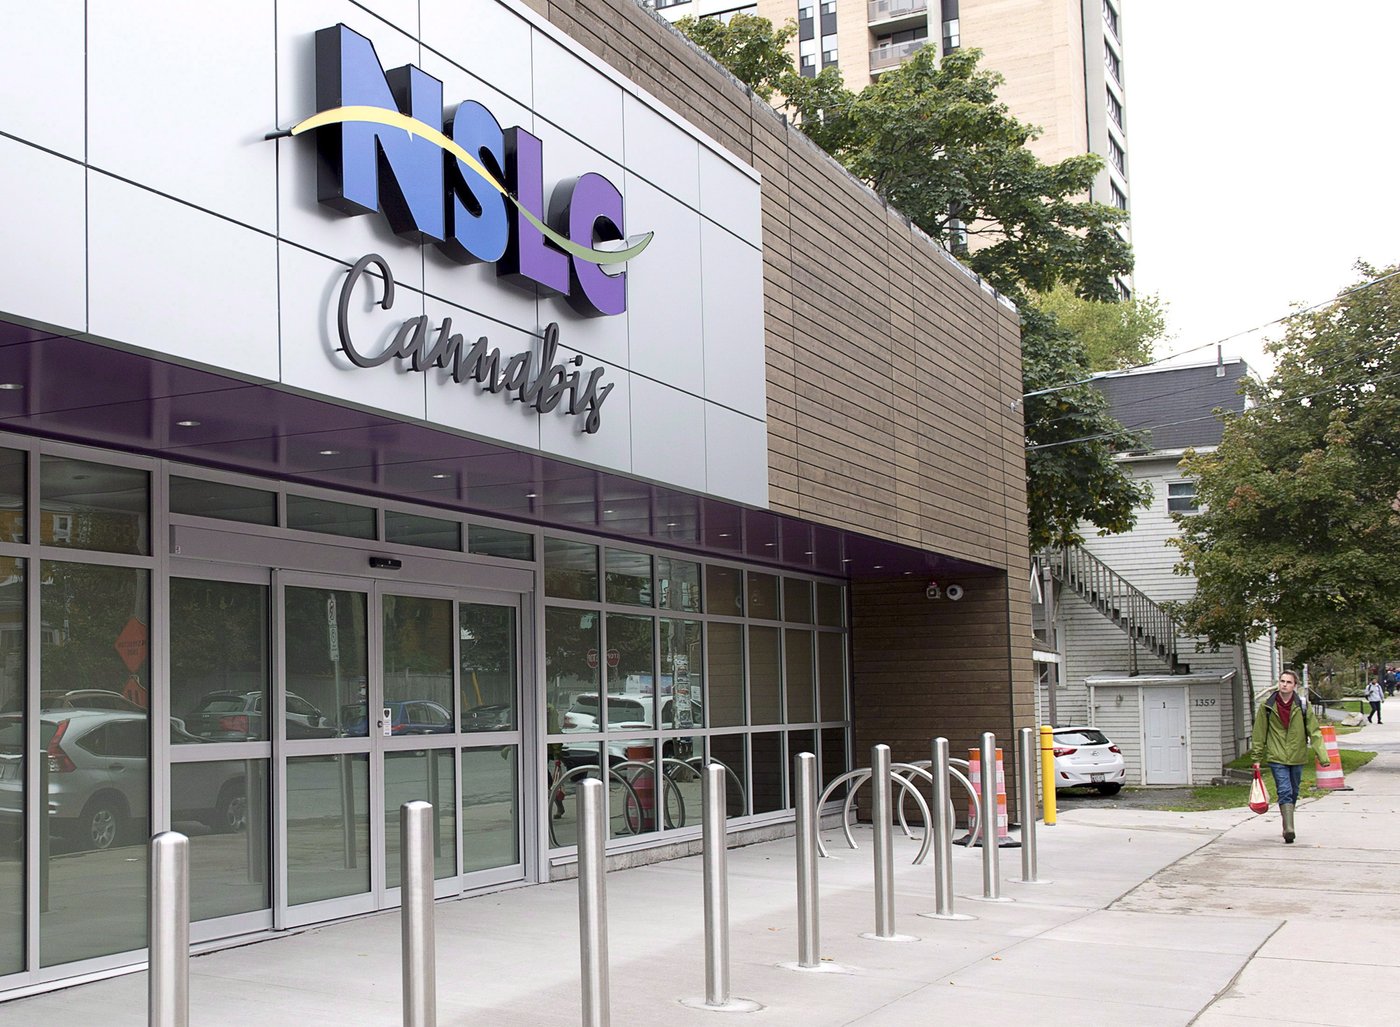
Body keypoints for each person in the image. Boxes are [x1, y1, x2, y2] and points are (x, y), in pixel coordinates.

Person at [1251, 669, 1330, 844]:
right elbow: (1259, 733)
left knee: (1293, 791)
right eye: (1282, 681)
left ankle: (1288, 820)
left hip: (1297, 755)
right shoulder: (1267, 706)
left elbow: (1314, 731)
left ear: (1295, 685)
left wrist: (1323, 756)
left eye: (1288, 682)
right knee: (1284, 790)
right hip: (1277, 755)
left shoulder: (1302, 706)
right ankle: (1289, 829)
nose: (1284, 685)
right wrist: (1256, 758)